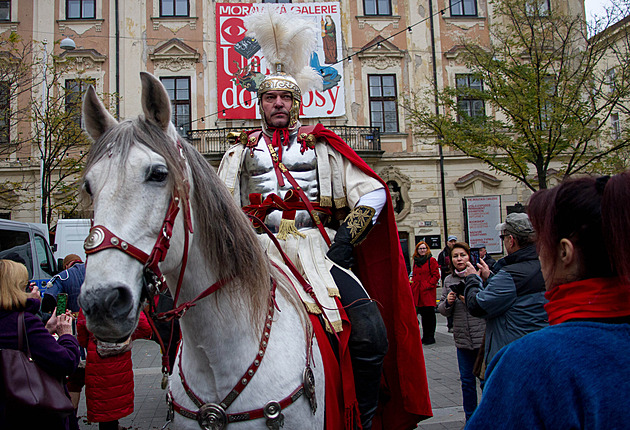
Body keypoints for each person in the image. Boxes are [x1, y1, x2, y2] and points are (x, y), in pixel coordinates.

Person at [218, 10, 431, 429]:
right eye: (269, 98)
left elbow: (373, 192)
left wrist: (346, 241)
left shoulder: (323, 147)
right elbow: (219, 204)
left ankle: (363, 419)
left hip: (318, 251)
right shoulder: (238, 152)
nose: (278, 104)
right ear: (259, 103)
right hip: (257, 251)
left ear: (297, 103)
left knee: (370, 330)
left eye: (285, 98)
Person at [466, 172, 630, 428]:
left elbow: (480, 304)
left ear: (565, 252)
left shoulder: (529, 364)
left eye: (542, 244)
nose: (539, 257)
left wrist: (473, 282)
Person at [0, 259, 80, 430]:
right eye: (26, 285)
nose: (33, 288)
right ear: (16, 289)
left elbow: (24, 344)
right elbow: (66, 362)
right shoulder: (25, 322)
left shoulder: (15, 321)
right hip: (29, 411)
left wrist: (46, 328)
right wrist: (66, 335)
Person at [463, 213, 548, 366]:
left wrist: (472, 279)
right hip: (540, 349)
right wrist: (491, 278)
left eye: (503, 238)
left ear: (511, 240)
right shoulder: (546, 266)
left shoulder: (511, 274)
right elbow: (515, 297)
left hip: (512, 357)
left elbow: (477, 306)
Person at [77, 309, 152, 430]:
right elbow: (145, 328)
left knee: (104, 406)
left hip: (97, 361)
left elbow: (81, 332)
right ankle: (113, 425)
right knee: (115, 404)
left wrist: (92, 344)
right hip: (120, 361)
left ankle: (111, 425)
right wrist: (124, 338)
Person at [437, 242, 486, 421]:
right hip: (462, 339)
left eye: (463, 255)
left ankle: (487, 417)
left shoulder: (480, 274)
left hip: (482, 338)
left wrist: (470, 299)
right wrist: (448, 302)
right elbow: (442, 309)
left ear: (469, 257)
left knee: (485, 381)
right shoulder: (449, 280)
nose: (459, 259)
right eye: (456, 256)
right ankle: (471, 419)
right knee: (466, 382)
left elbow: (489, 302)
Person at [41, 253, 87, 420]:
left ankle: (72, 417)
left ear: (66, 264)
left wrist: (60, 313)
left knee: (74, 382)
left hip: (73, 336)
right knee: (98, 384)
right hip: (97, 339)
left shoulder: (64, 276)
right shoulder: (94, 271)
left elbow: (49, 300)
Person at [410, 241, 440, 345]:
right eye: (420, 248)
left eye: (424, 248)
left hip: (427, 291)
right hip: (418, 291)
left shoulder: (431, 260)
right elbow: (414, 274)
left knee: (429, 315)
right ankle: (425, 336)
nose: (422, 250)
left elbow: (436, 275)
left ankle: (430, 336)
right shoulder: (416, 261)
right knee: (422, 314)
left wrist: (427, 285)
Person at [437, 235, 457, 332]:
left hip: (457, 279)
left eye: (454, 241)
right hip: (447, 280)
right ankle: (450, 324)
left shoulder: (458, 252)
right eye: (451, 241)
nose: (453, 243)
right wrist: (448, 269)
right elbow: (440, 267)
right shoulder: (443, 254)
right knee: (448, 301)